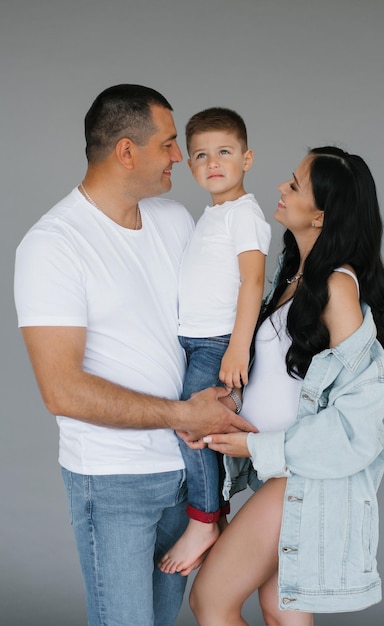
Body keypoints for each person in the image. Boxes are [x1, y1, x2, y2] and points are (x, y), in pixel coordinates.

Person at [13, 85, 255, 626]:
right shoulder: (54, 245)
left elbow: (215, 322)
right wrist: (184, 415)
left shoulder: (174, 221)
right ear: (127, 151)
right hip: (114, 481)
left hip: (187, 476)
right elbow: (61, 390)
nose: (179, 156)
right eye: (170, 144)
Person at [186, 146, 384, 625]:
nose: (281, 188)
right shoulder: (293, 276)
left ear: (320, 215)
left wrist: (257, 446)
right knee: (281, 614)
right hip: (282, 474)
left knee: (211, 602)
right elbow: (283, 379)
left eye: (295, 185)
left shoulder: (337, 288)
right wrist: (229, 399)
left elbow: (356, 416)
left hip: (302, 479)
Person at [158, 107, 271, 576]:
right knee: (188, 426)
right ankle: (210, 512)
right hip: (192, 339)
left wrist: (237, 348)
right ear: (189, 164)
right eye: (201, 155)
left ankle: (205, 519)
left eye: (224, 152)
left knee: (196, 425)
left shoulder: (244, 214)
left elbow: (253, 281)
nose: (212, 162)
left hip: (218, 341)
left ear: (247, 158)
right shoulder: (211, 214)